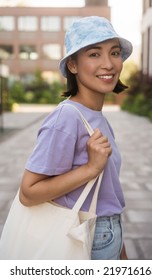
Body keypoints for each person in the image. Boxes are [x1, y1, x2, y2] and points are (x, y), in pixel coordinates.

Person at [19, 16, 132, 260]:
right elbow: (28, 193)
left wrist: (121, 252)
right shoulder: (66, 118)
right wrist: (90, 168)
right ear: (72, 65)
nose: (109, 64)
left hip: (108, 230)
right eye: (94, 54)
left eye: (114, 53)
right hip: (84, 236)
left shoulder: (96, 116)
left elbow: (106, 195)